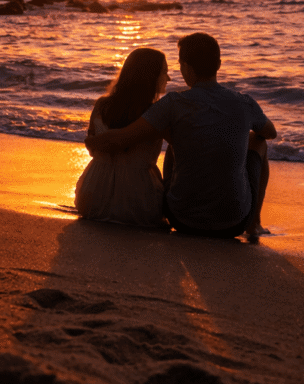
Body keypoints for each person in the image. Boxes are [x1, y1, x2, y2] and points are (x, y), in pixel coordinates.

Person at [85, 32, 276, 241]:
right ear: (219, 64)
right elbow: (269, 132)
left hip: (181, 219)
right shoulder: (244, 102)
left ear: (184, 66)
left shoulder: (172, 103)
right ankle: (254, 223)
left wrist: (93, 141)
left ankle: (181, 197)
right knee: (258, 142)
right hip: (234, 224)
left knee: (178, 138)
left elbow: (123, 137)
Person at [75, 47, 169, 227]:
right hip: (138, 203)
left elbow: (91, 146)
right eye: (165, 72)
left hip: (92, 197)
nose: (168, 78)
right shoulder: (157, 113)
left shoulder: (102, 105)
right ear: (151, 76)